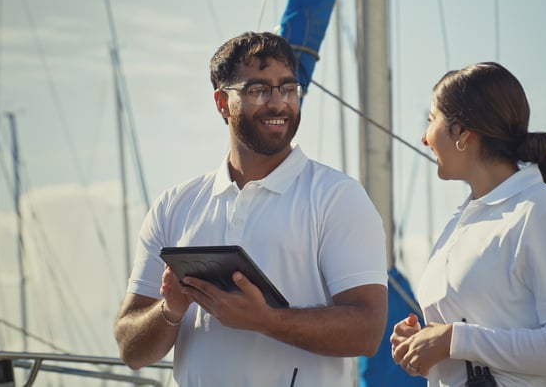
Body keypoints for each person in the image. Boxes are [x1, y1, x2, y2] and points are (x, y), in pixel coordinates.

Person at [113, 31, 388, 387]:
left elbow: (367, 332)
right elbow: (130, 351)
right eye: (258, 90)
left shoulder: (338, 197)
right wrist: (171, 309)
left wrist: (264, 319)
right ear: (222, 103)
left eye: (288, 89)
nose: (278, 104)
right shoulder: (174, 205)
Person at [390, 62, 546, 387]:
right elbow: (468, 337)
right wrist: (424, 344)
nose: (425, 138)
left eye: (431, 121)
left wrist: (452, 340)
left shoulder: (543, 211)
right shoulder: (459, 223)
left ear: (461, 132)